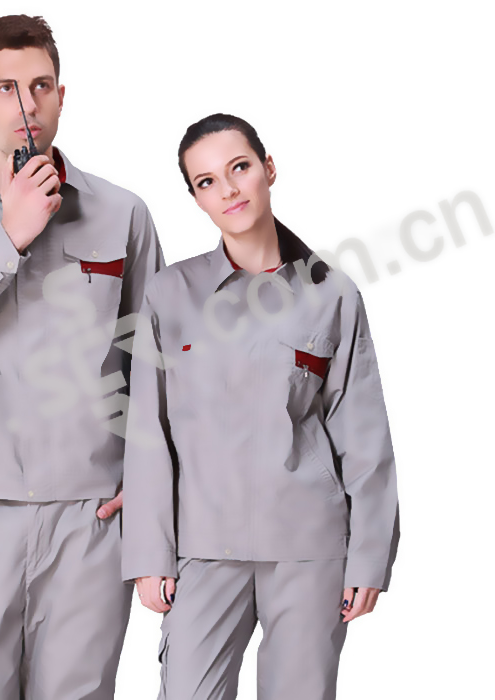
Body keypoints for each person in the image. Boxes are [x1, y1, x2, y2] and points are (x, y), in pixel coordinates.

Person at [0, 15, 165, 700]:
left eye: (40, 86)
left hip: (91, 517)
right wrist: (8, 236)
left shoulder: (122, 214)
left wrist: (151, 485)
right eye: (5, 88)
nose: (25, 104)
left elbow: (157, 366)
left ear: (61, 97)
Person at [121, 113, 400, 699]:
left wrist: (370, 556)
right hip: (202, 548)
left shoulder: (332, 294)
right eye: (206, 181)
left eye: (239, 168)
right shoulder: (170, 293)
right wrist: (149, 551)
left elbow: (363, 433)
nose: (228, 190)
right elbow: (147, 428)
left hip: (308, 548)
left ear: (268, 169)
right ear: (196, 198)